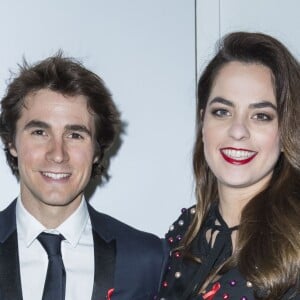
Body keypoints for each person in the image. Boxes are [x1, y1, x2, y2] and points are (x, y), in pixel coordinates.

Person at [0, 53, 166, 300]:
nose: (57, 154)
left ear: (97, 151)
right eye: (39, 132)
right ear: (12, 142)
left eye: (75, 135)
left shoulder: (148, 260)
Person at [158, 32, 300, 299]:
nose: (238, 131)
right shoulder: (184, 232)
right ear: (203, 123)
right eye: (222, 111)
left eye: (261, 116)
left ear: (286, 133)